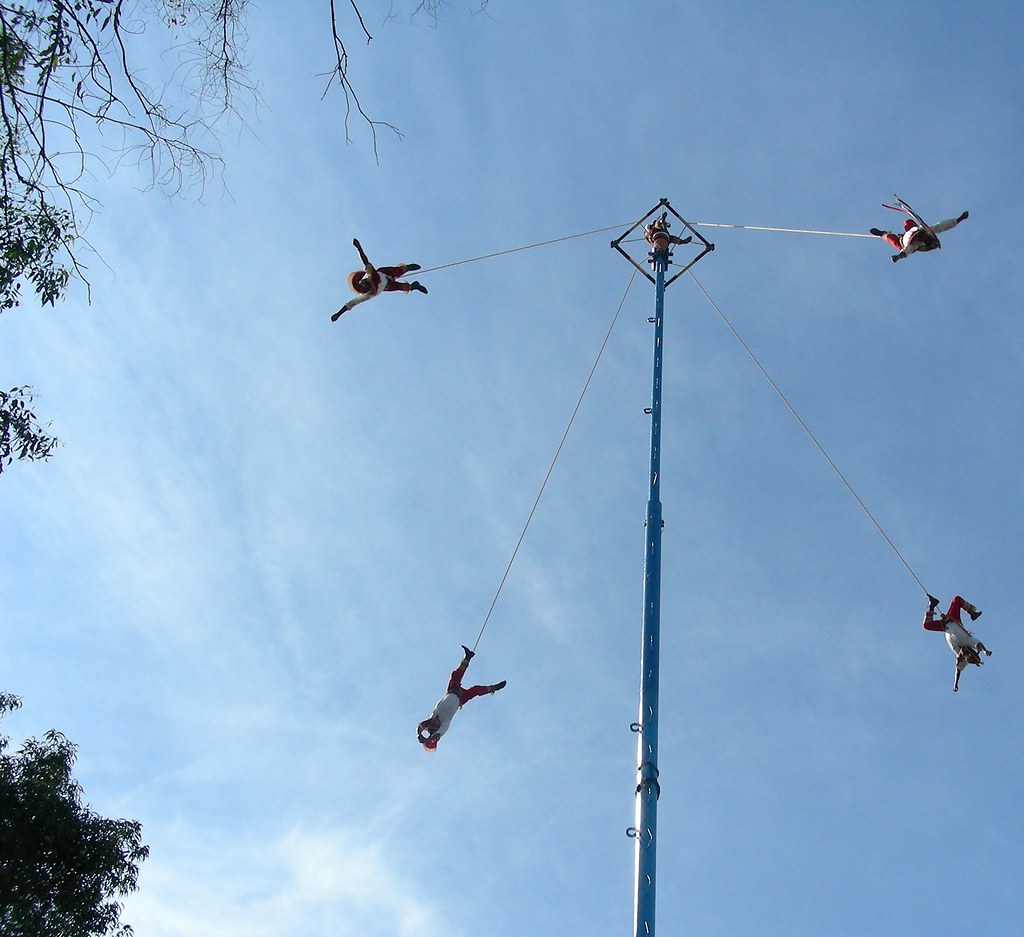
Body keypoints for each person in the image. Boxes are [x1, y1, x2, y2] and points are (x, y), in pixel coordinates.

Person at [417, 646, 506, 751]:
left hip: (451, 691)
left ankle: (467, 657)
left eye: (433, 723)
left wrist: (419, 735)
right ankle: (493, 688)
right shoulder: (444, 725)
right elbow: (437, 735)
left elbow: (420, 726)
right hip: (460, 698)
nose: (435, 722)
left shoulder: (432, 718)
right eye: (436, 724)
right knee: (475, 690)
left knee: (456, 675)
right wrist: (430, 739)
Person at [331, 238, 428, 321]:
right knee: (401, 287)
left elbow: (365, 260)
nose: (365, 285)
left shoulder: (370, 274)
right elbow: (351, 304)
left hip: (385, 273)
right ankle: (414, 286)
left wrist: (358, 248)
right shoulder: (367, 295)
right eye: (365, 286)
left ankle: (406, 268)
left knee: (398, 271)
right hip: (387, 286)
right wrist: (338, 314)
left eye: (365, 283)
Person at [922, 594, 991, 692]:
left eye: (963, 653)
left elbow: (958, 670)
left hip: (944, 625)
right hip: (953, 619)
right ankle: (972, 612)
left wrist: (955, 684)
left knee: (926, 625)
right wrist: (985, 651)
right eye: (966, 651)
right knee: (956, 599)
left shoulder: (959, 656)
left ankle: (932, 604)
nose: (963, 651)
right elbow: (979, 645)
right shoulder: (969, 641)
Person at [870, 211, 968, 262]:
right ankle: (886, 233)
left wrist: (897, 257)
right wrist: (958, 219)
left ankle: (882, 233)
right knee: (907, 222)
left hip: (902, 243)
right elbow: (941, 226)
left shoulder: (915, 244)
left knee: (889, 237)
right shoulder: (925, 230)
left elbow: (905, 251)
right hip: (912, 230)